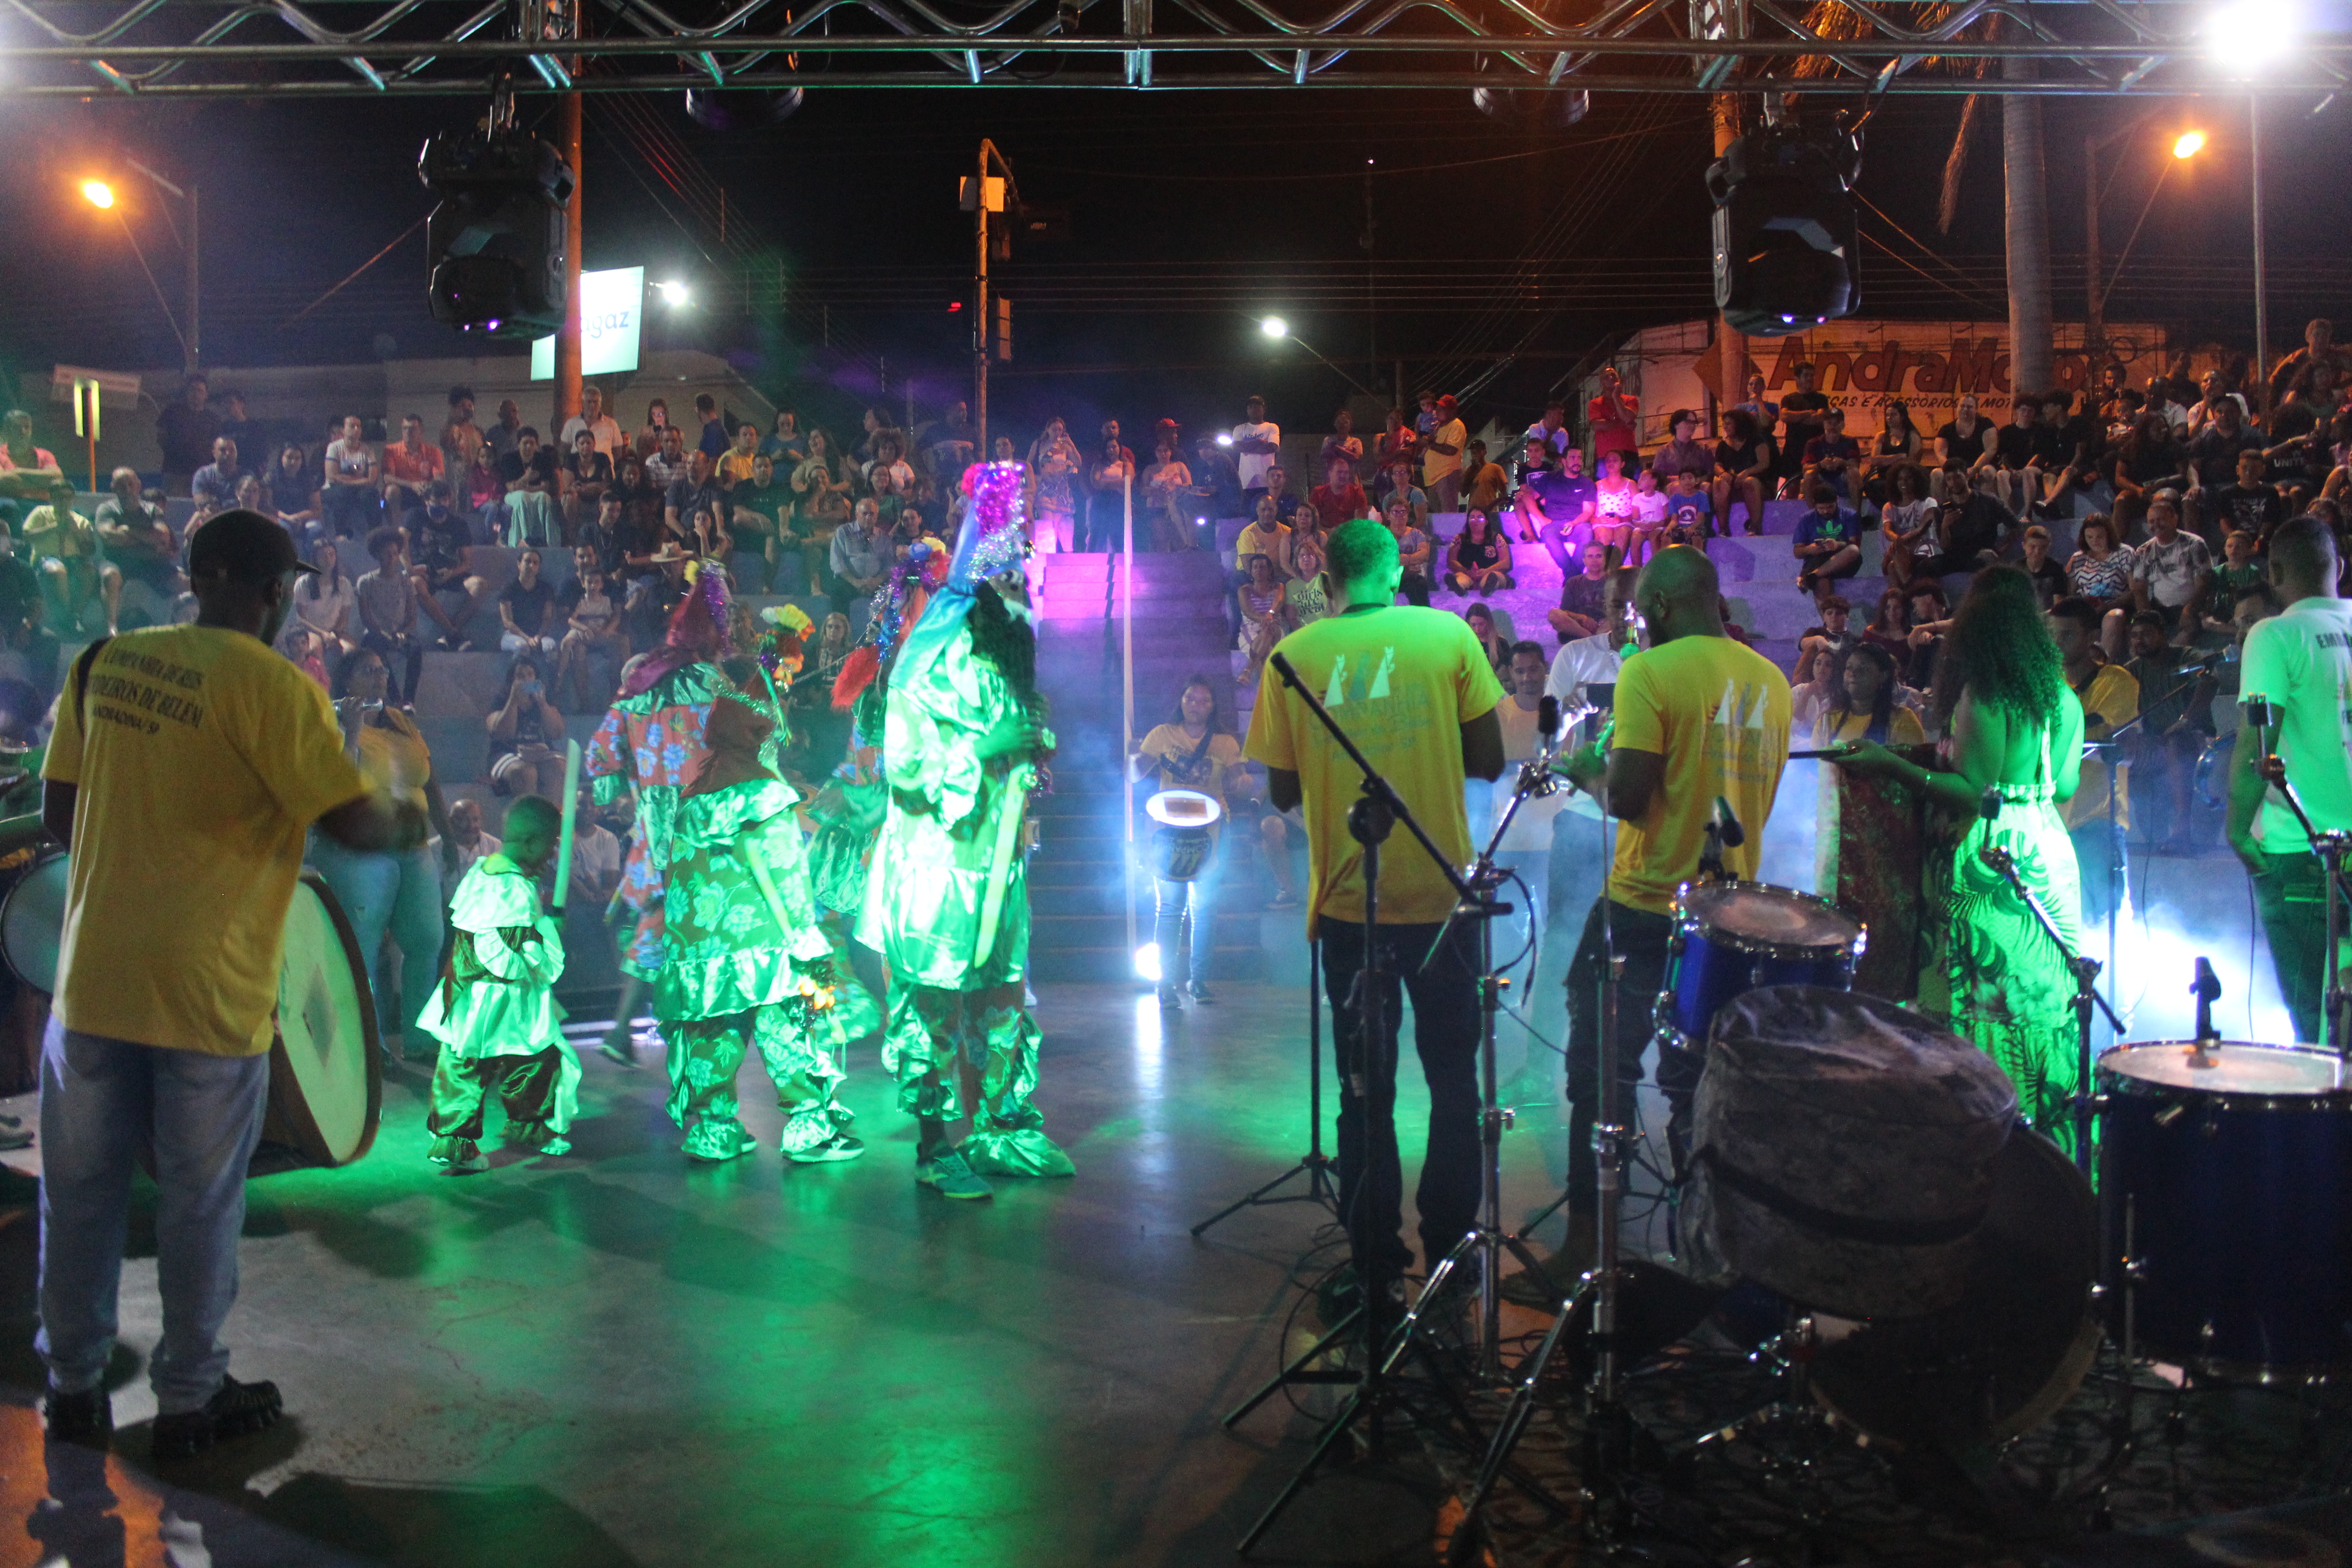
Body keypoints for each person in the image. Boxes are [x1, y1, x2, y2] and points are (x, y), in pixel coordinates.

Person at [36, 507, 423, 1455]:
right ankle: (187, 1398)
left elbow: (57, 816)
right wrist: (410, 801)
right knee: (201, 1203)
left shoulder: (100, 666)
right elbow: (352, 829)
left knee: (79, 1196)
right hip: (209, 992)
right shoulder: (275, 688)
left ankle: (75, 1387)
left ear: (196, 573)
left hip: (92, 983)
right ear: (277, 591)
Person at [1244, 515, 1504, 1318]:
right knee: (1454, 1083)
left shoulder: (1293, 658)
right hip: (1441, 909)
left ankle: (1373, 1266)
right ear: (1392, 571)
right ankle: (1454, 1256)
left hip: (1351, 908)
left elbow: (1281, 793)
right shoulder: (1446, 636)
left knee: (1363, 1092)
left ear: (1325, 581)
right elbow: (1490, 760)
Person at [1535, 547, 1790, 1297]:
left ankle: (1588, 1248)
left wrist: (1581, 769)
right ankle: (1704, 1258)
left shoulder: (1650, 673)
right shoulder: (1770, 682)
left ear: (1669, 607)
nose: (1637, 624)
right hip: (1730, 917)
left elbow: (1624, 796)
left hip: (1644, 907)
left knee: (1598, 1077)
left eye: (1643, 610)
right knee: (1698, 1092)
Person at [858, 464, 1071, 1202]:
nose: (1021, 595)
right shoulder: (930, 647)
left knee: (1002, 995)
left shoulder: (1008, 638)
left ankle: (1000, 1124)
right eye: (1009, 583)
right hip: (935, 862)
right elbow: (905, 763)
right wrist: (985, 752)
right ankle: (931, 1146)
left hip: (997, 858)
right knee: (932, 1004)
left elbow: (1017, 729)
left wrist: (1028, 749)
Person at [1834, 568, 2087, 1151]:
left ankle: (1987, 1151)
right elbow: (2068, 782)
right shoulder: (2063, 697)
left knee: (1985, 1003)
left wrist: (1892, 765)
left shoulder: (1987, 693)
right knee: (2040, 1004)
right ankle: (2049, 1158)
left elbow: (1973, 791)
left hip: (1991, 856)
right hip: (2046, 848)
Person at [658, 658, 862, 1163]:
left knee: (715, 1037)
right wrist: (805, 939)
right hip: (763, 944)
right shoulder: (767, 796)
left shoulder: (691, 800)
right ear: (758, 737)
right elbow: (784, 873)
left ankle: (714, 1130)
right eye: (773, 737)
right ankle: (811, 1129)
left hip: (702, 950)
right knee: (785, 1031)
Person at [588, 567, 735, 1065]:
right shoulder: (714, 684)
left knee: (654, 928)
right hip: (704, 835)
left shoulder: (642, 684)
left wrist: (630, 788)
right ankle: (689, 1043)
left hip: (654, 836)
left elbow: (599, 760)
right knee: (701, 935)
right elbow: (754, 746)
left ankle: (625, 1029)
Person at [2227, 517, 2352, 1047]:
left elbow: (2257, 745)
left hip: (2304, 849)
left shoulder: (2274, 634)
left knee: (2316, 1017)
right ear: (2339, 567)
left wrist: (2236, 829)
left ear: (2274, 572)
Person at [417, 793, 579, 1174]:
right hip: (505, 994)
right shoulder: (516, 888)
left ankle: (455, 1142)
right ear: (532, 842)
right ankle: (530, 1127)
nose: (553, 854)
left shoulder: (480, 871)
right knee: (536, 1057)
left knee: (464, 1062)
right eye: (552, 844)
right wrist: (550, 933)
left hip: (465, 989)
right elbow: (518, 949)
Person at [313, 647, 456, 1059]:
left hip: (413, 846)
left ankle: (419, 1037)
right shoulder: (330, 718)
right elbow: (336, 784)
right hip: (361, 850)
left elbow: (430, 782)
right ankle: (366, 1044)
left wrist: (446, 835)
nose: (379, 677)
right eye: (367, 671)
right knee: (363, 946)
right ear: (347, 680)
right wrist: (352, 731)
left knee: (427, 938)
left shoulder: (402, 722)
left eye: (382, 670)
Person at [1132, 677, 1250, 1009]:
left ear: (1213, 706)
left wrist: (1241, 779)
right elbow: (1135, 774)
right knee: (1170, 909)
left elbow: (1238, 778)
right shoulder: (1162, 735)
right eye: (1190, 698)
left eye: (1203, 700)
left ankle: (1198, 981)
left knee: (1205, 909)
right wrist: (1134, 758)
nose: (1196, 705)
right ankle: (1165, 984)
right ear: (1181, 702)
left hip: (1211, 829)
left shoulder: (1225, 742)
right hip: (1168, 828)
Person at [2123, 609, 2216, 852]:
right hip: (2156, 744)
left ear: (2163, 635)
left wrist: (2185, 721)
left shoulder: (2186, 656)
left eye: (2146, 634)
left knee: (2176, 742)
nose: (2139, 641)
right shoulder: (2132, 671)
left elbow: (2210, 680)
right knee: (2120, 752)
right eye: (2134, 636)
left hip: (2198, 740)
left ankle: (2181, 830)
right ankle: (2148, 833)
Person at [21, 476, 119, 638]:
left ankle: (75, 616)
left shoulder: (80, 521)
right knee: (57, 571)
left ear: (73, 499)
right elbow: (26, 536)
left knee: (89, 570)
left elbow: (90, 551)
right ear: (51, 498)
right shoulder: (40, 513)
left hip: (74, 560)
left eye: (67, 497)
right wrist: (53, 529)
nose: (63, 501)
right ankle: (67, 618)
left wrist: (77, 533)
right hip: (46, 559)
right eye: (59, 497)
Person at [487, 656, 566, 800]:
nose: (526, 679)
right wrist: (514, 700)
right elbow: (503, 734)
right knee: (526, 772)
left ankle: (552, 819)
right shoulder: (500, 703)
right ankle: (529, 821)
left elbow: (557, 733)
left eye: (530, 675)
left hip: (540, 751)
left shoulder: (545, 703)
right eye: (520, 676)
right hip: (507, 752)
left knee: (559, 769)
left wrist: (542, 704)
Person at [1518, 444, 1596, 568]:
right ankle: (1573, 576)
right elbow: (1528, 497)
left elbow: (1588, 512)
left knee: (1587, 534)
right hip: (1553, 524)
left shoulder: (1588, 483)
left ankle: (1571, 576)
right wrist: (1541, 518)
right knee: (1550, 538)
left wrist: (1574, 523)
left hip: (1578, 524)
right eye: (1573, 458)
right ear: (1564, 461)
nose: (1577, 461)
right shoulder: (1550, 478)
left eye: (1579, 458)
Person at [1792, 482, 1863, 602]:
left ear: (1837, 500)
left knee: (1853, 551)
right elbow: (1797, 552)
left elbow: (1855, 545)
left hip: (1842, 561)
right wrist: (1810, 549)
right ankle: (1827, 618)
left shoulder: (1850, 515)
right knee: (1822, 582)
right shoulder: (1806, 519)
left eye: (1830, 507)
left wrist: (1837, 545)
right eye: (1821, 509)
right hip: (1817, 561)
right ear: (1815, 504)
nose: (1826, 512)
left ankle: (1813, 576)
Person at [1712, 407, 1775, 536]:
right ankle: (1723, 529)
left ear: (1739, 424)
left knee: (1749, 483)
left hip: (1758, 484)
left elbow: (1764, 463)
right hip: (1733, 485)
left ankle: (1755, 527)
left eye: (1728, 423)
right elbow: (1717, 465)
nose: (1725, 427)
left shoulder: (1757, 440)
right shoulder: (1723, 445)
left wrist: (1746, 473)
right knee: (1718, 482)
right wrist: (1723, 474)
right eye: (1724, 424)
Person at [1878, 462, 1938, 591]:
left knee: (1892, 566)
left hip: (1922, 551)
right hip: (1899, 551)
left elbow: (1920, 530)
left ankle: (1904, 595)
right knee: (1892, 566)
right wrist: (1898, 543)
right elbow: (1888, 531)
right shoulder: (1889, 507)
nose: (1903, 482)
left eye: (1908, 478)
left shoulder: (1929, 503)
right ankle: (1904, 596)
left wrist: (1898, 543)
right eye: (1900, 479)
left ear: (1917, 480)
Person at [321, 415, 380, 541]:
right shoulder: (334, 447)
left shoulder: (367, 450)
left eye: (358, 426)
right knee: (343, 492)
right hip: (333, 489)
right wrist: (360, 481)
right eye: (352, 426)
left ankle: (376, 532)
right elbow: (332, 477)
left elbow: (372, 480)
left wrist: (347, 479)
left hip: (358, 490)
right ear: (343, 430)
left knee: (371, 493)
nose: (356, 429)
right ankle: (340, 533)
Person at [499, 547, 559, 656]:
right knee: (522, 647)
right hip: (513, 635)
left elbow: (547, 618)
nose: (531, 565)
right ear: (519, 564)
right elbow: (508, 622)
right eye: (527, 561)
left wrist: (538, 637)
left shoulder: (546, 589)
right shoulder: (508, 589)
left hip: (538, 635)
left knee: (551, 648)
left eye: (535, 563)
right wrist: (527, 638)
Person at [1446, 505, 1514, 597]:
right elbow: (1452, 562)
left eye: (1480, 518)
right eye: (1472, 518)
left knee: (1494, 577)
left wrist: (1486, 571)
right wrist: (1467, 572)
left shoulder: (1496, 538)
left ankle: (1488, 588)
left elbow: (1506, 562)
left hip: (1491, 573)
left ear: (1486, 522)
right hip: (1467, 575)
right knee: (1461, 578)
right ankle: (1458, 587)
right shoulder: (1460, 539)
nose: (1476, 521)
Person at [1419, 393, 1466, 514]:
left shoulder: (1457, 425)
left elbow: (1451, 450)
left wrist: (1429, 445)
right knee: (1436, 516)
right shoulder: (1439, 426)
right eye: (1438, 408)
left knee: (1447, 515)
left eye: (1442, 408)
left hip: (1446, 475)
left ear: (1452, 410)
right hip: (1433, 478)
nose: (1437, 411)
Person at [1588, 367, 1639, 469]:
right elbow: (1597, 425)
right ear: (1602, 383)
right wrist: (1622, 423)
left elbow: (1628, 418)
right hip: (1605, 454)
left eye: (1614, 375)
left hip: (1628, 452)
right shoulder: (1595, 403)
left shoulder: (1631, 400)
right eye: (1606, 377)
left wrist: (1616, 397)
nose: (1611, 378)